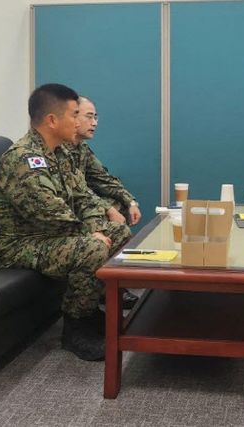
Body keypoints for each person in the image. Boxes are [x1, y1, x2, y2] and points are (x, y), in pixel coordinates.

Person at [0, 83, 131, 361]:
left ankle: (90, 310)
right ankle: (76, 328)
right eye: (74, 114)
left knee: (118, 232)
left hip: (47, 236)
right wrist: (88, 235)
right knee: (93, 248)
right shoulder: (24, 158)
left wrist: (99, 222)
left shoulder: (60, 153)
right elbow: (49, 213)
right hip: (18, 245)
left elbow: (81, 196)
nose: (79, 122)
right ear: (52, 120)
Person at [67, 96, 142, 309]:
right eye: (89, 117)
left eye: (96, 117)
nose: (95, 123)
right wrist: (106, 209)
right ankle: (90, 304)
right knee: (109, 216)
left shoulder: (81, 149)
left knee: (119, 206)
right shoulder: (56, 151)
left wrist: (130, 201)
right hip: (64, 214)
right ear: (72, 118)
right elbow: (73, 194)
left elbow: (103, 179)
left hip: (79, 207)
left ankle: (109, 289)